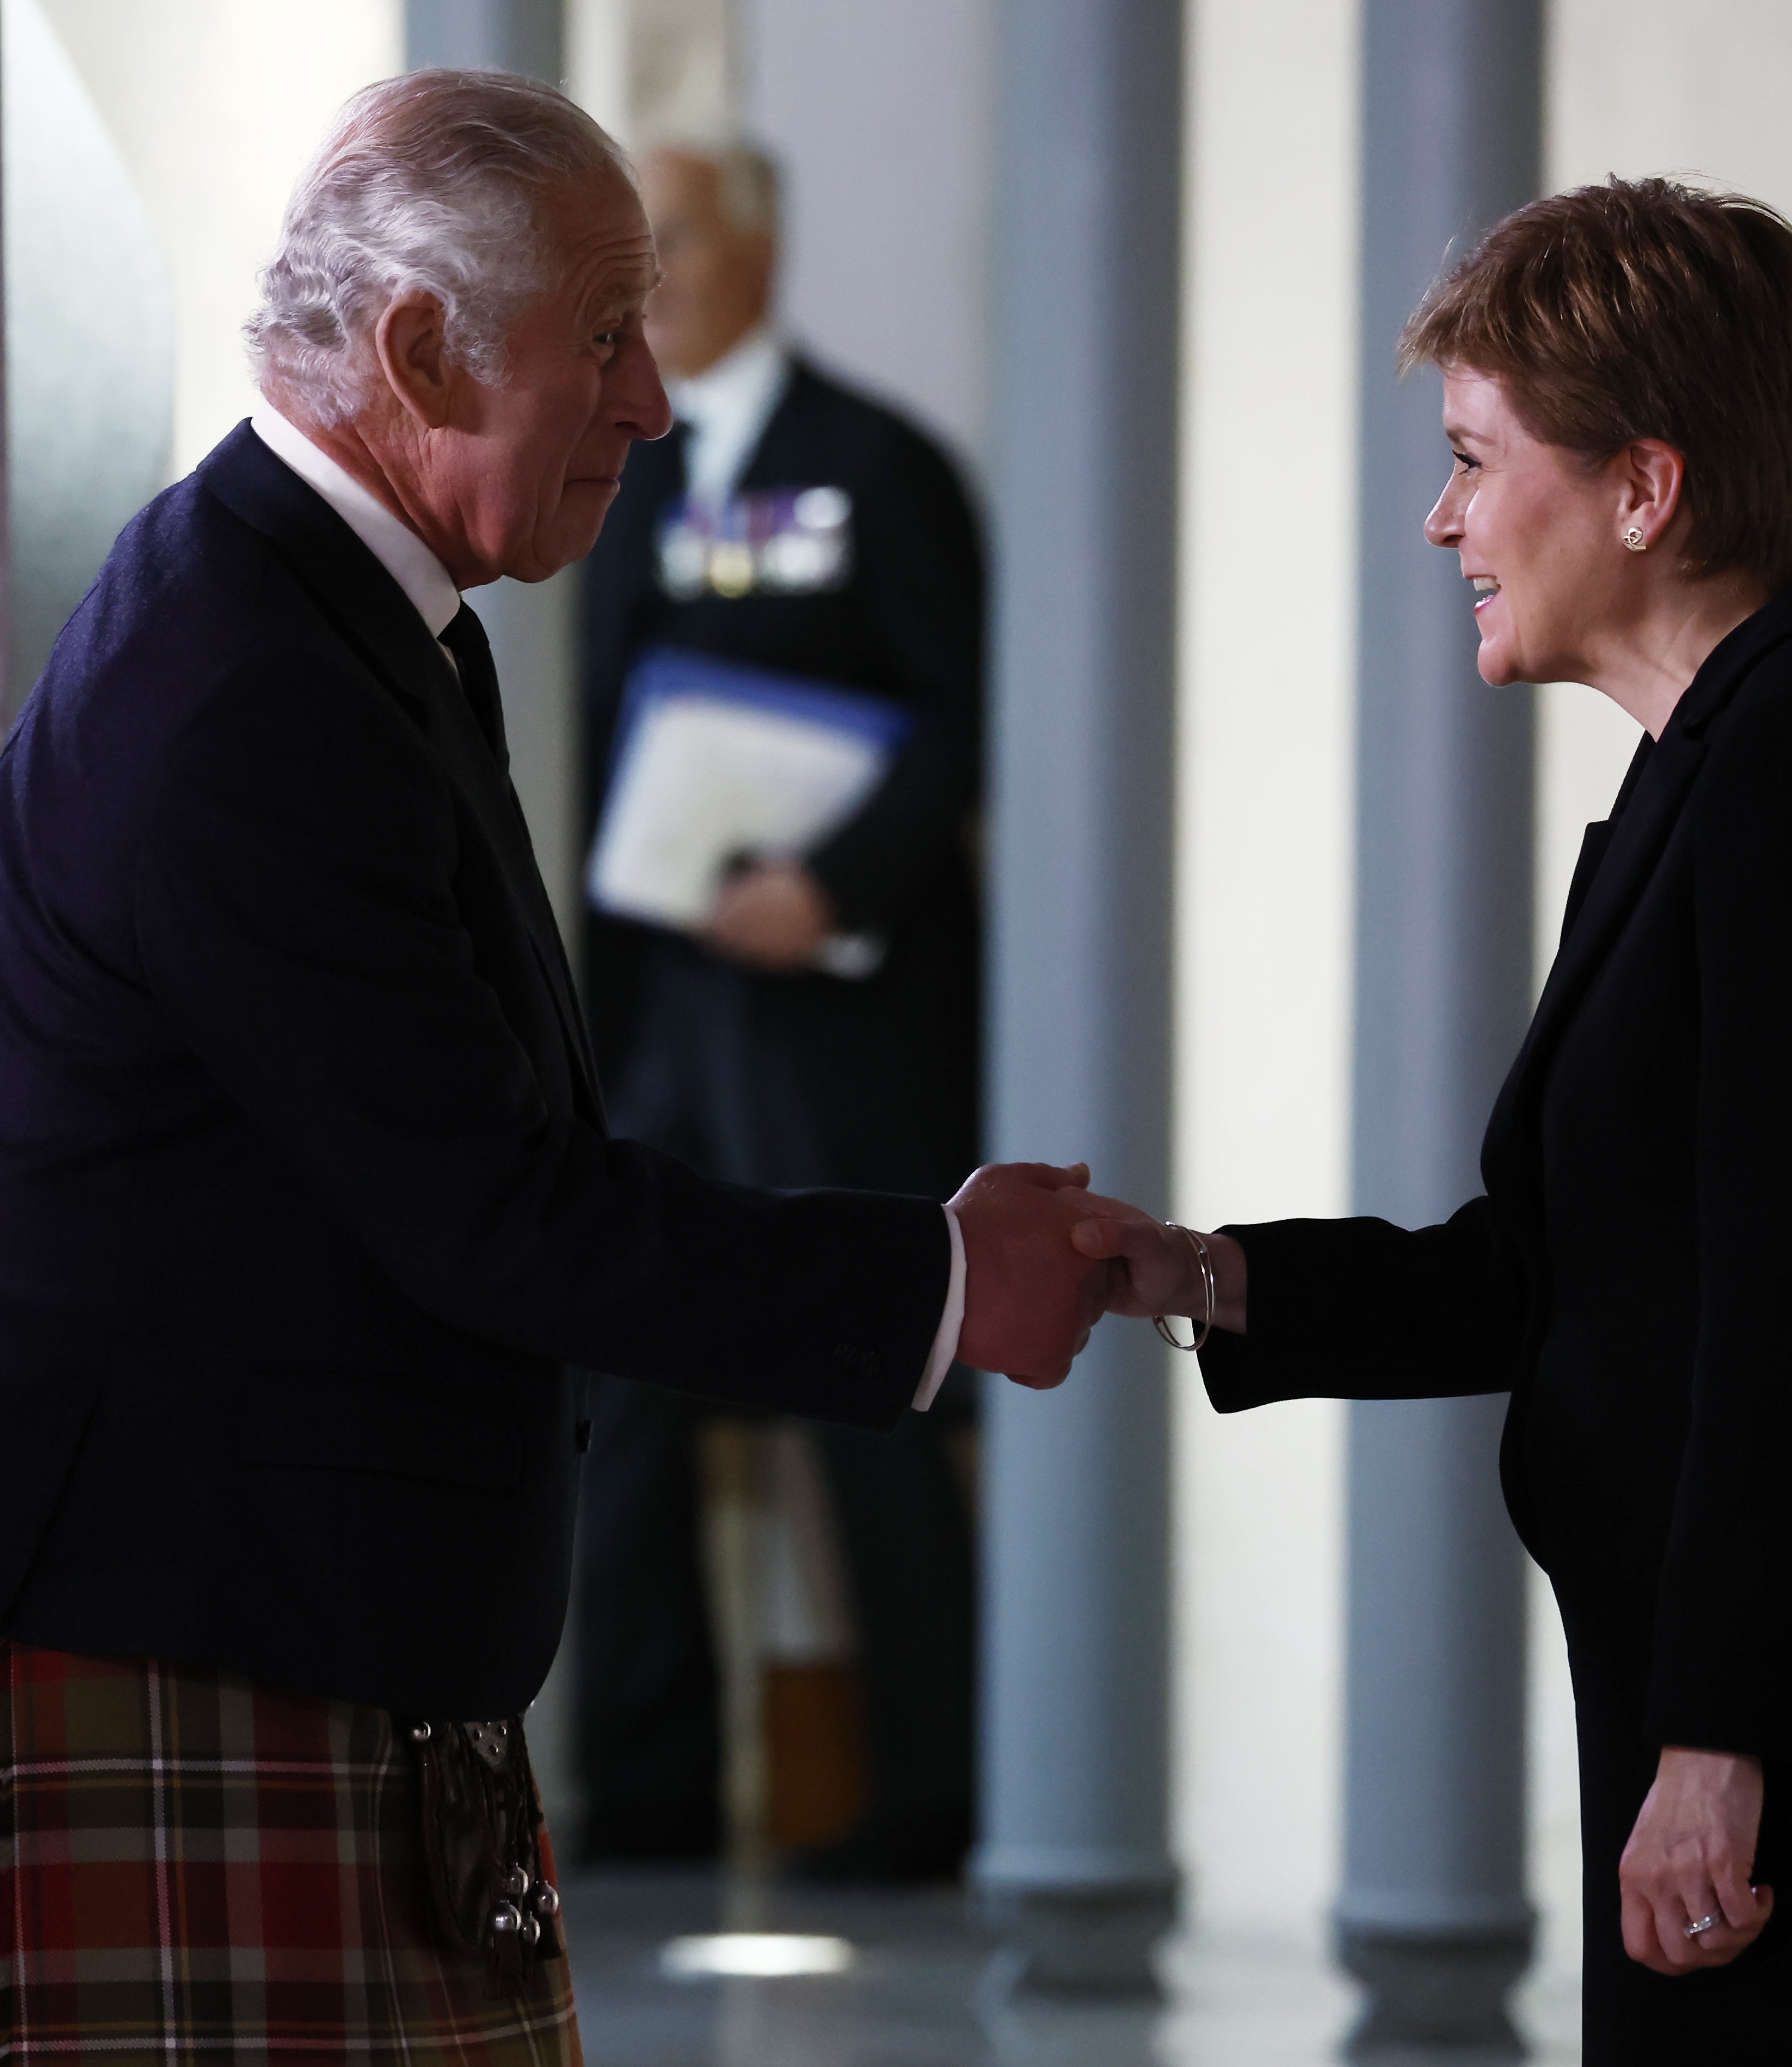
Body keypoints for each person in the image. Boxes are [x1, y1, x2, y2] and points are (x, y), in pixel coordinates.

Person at [0, 70, 1110, 2067]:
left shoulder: (350, 613)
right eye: (604, 334)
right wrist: (932, 1280)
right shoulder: (242, 678)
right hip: (174, 1622)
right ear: (416, 350)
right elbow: (491, 1206)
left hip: (270, 1611)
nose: (651, 399)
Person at [1076, 180, 1792, 2063]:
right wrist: (1200, 1275)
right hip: (1753, 1684)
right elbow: (1547, 1269)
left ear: (1645, 488)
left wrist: (1719, 1745)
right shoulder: (1707, 773)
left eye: (1476, 460)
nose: (1444, 518)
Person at [569, 142, 986, 1878]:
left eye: (659, 244)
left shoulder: (874, 467)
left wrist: (832, 885)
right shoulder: (615, 473)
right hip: (658, 1003)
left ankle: (923, 1799)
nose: (643, 281)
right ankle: (650, 1788)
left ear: (751, 246)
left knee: (865, 1374)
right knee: (629, 1371)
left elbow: (968, 720)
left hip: (835, 1016)